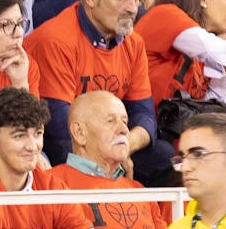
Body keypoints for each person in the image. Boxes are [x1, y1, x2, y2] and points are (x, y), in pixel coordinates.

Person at [22, 0, 155, 168]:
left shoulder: (134, 43)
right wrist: (109, 149)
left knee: (161, 156)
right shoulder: (56, 40)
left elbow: (145, 115)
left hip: (109, 139)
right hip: (62, 142)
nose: (133, 8)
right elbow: (59, 125)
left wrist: (124, 145)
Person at [49, 92, 168, 225]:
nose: (124, 130)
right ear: (79, 132)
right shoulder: (48, 184)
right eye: (110, 121)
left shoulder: (139, 191)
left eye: (125, 122)